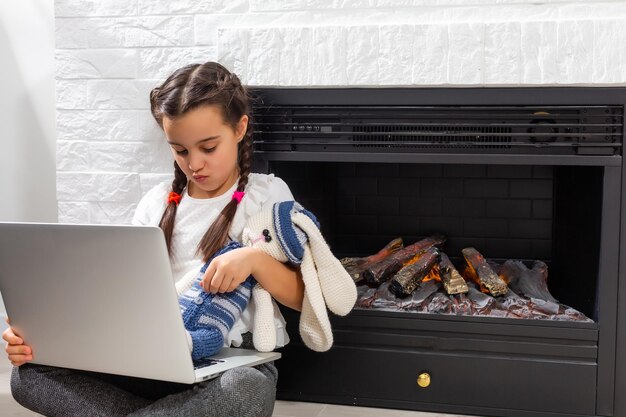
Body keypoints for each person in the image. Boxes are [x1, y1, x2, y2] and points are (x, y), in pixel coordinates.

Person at [3, 61, 305, 417]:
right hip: (151, 360)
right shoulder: (157, 204)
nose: (194, 164)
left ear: (240, 128)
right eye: (180, 150)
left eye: (208, 148)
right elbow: (122, 295)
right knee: (27, 377)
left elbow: (303, 298)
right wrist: (46, 333)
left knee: (245, 393)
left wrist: (254, 261)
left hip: (229, 364)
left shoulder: (266, 194)